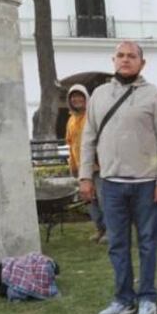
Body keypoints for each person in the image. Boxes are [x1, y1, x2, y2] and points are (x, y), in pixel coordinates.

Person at [78, 41, 157, 314]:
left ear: (142, 63)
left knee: (147, 243)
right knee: (117, 244)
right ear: (113, 60)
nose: (126, 60)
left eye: (132, 56)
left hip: (146, 183)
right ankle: (123, 298)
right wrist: (85, 176)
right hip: (110, 184)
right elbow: (88, 138)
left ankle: (146, 297)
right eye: (121, 55)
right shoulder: (99, 95)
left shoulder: (153, 96)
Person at [65, 84, 105, 243]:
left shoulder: (93, 116)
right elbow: (71, 144)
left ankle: (111, 231)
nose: (77, 99)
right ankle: (100, 229)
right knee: (90, 200)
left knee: (103, 199)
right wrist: (73, 166)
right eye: (73, 97)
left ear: (86, 98)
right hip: (82, 169)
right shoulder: (70, 120)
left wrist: (98, 161)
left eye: (80, 96)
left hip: (97, 166)